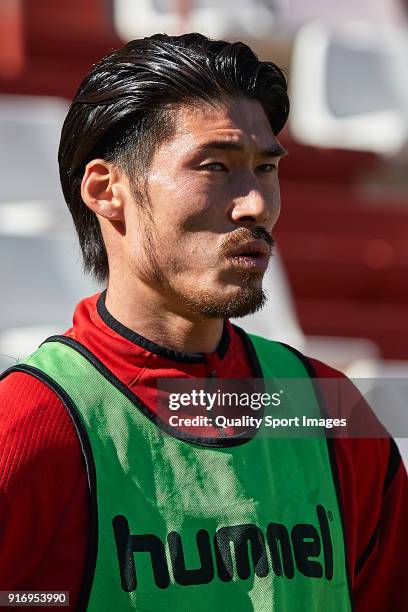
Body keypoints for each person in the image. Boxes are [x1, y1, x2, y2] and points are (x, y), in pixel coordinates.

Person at [0, 33, 407, 611]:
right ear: (106, 189)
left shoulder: (323, 407)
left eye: (266, 169)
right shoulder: (30, 425)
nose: (256, 204)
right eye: (215, 166)